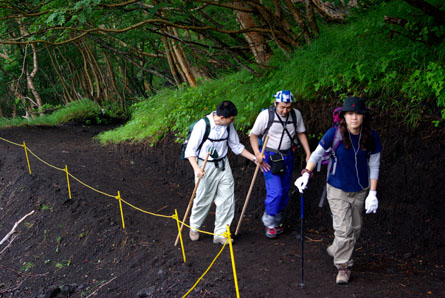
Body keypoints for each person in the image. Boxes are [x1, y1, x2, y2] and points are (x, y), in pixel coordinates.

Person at [294, 96, 382, 285]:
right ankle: (343, 267)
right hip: (337, 188)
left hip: (360, 189)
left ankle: (336, 247)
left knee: (355, 230)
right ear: (344, 116)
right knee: (344, 230)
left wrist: (373, 193)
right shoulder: (334, 134)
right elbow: (316, 154)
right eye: (350, 114)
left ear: (364, 116)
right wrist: (306, 173)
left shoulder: (372, 137)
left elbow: (374, 164)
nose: (354, 118)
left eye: (358, 114)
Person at [184, 101, 266, 245]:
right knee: (203, 199)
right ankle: (194, 227)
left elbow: (236, 146)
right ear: (222, 118)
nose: (233, 121)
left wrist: (254, 158)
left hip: (223, 165)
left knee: (227, 199)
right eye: (231, 119)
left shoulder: (228, 126)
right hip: (204, 166)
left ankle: (221, 234)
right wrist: (196, 169)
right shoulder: (203, 125)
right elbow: (190, 150)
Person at [249, 90, 311, 239]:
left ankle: (277, 222)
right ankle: (269, 223)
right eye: (282, 107)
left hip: (287, 156)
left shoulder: (295, 115)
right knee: (275, 192)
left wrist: (308, 153)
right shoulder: (266, 116)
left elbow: (301, 133)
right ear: (275, 103)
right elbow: (253, 135)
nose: (285, 111)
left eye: (288, 107)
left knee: (284, 191)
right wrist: (257, 153)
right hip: (269, 158)